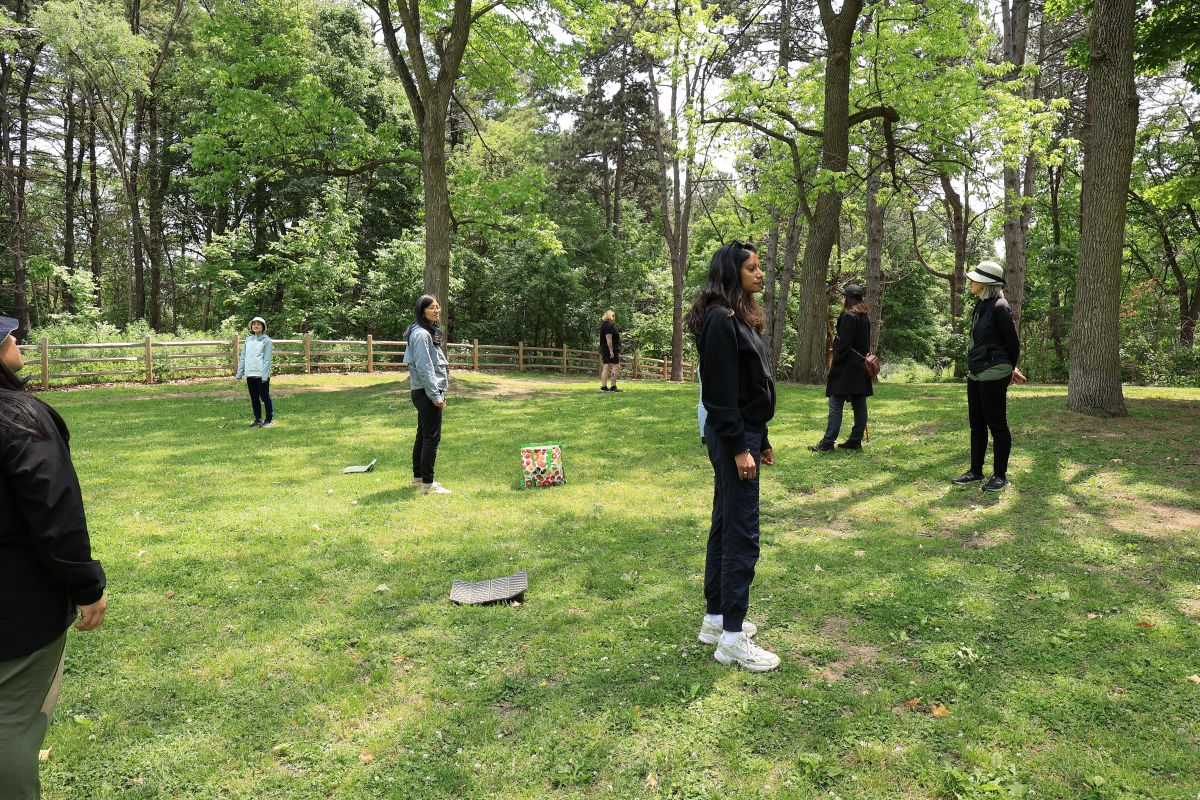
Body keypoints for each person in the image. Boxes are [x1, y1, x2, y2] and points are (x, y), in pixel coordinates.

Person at [0, 315, 107, 800]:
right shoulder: (19, 418)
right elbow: (54, 511)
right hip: (17, 608)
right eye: (5, 335)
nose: (14, 337)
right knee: (12, 722)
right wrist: (86, 586)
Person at [687, 241, 780, 672]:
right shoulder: (722, 321)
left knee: (725, 524)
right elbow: (722, 395)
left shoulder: (737, 317)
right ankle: (731, 639)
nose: (760, 274)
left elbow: (751, 386)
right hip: (731, 438)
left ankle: (716, 619)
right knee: (742, 532)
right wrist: (742, 446)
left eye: (761, 268)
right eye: (752, 269)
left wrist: (760, 438)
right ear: (732, 273)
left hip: (745, 435)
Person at [952, 260, 1027, 492]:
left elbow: (1013, 343)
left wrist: (1009, 368)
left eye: (975, 278)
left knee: (997, 424)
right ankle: (976, 471)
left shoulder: (999, 306)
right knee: (976, 423)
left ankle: (999, 476)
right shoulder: (981, 305)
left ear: (985, 283)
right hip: (976, 372)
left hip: (994, 372)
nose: (971, 281)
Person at [810, 284, 873, 452]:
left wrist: (834, 365)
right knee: (859, 404)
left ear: (848, 298)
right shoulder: (864, 316)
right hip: (860, 367)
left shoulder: (849, 316)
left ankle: (828, 442)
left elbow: (844, 346)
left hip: (846, 368)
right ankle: (854, 441)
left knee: (836, 404)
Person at [403, 295, 452, 495]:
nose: (436, 310)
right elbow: (425, 367)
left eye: (438, 307)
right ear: (422, 310)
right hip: (426, 392)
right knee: (431, 438)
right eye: (431, 307)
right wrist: (436, 396)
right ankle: (428, 484)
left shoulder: (422, 331)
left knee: (423, 435)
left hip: (421, 391)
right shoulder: (422, 334)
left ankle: (418, 479)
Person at [234, 316, 274, 428]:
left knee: (264, 397)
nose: (256, 325)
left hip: (261, 374)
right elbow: (243, 357)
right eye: (254, 324)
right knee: (254, 398)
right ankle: (257, 419)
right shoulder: (248, 340)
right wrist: (239, 372)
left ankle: (269, 420)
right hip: (250, 374)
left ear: (263, 327)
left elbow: (267, 359)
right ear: (251, 326)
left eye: (259, 324)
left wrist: (265, 375)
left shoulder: (266, 341)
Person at [599, 310, 621, 392]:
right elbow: (609, 340)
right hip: (611, 349)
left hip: (604, 348)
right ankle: (613, 387)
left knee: (606, 366)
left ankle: (604, 387)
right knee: (615, 367)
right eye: (614, 316)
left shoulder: (604, 325)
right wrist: (611, 351)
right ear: (612, 316)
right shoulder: (609, 326)